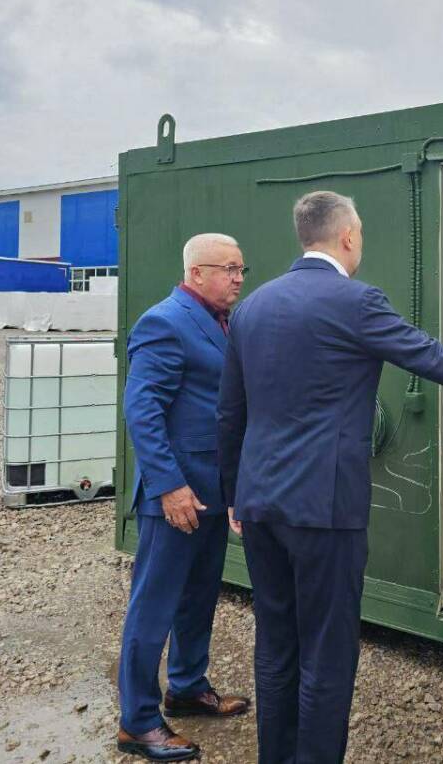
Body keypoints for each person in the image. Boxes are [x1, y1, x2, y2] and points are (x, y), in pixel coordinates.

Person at [217, 191, 443, 763]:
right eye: (359, 232)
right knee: (327, 655)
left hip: (259, 503)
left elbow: (230, 413)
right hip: (325, 508)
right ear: (347, 236)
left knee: (276, 645)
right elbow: (441, 361)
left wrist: (234, 493)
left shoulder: (252, 307)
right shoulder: (355, 302)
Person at [117, 233, 252, 762]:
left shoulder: (223, 322)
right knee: (153, 608)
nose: (238, 279)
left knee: (198, 597)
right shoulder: (165, 323)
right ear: (196, 273)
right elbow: (142, 410)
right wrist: (169, 486)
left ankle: (188, 686)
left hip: (213, 492)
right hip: (175, 496)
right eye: (228, 269)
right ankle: (137, 721)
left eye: (241, 269)